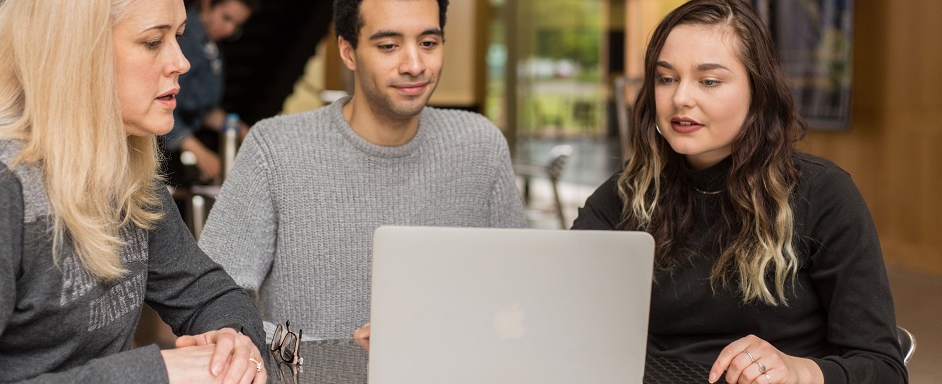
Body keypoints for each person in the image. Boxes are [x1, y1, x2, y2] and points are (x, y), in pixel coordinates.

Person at [0, 1, 268, 383]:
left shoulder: (126, 168)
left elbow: (207, 292)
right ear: (80, 54)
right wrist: (151, 373)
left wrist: (233, 341)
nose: (181, 62)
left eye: (179, 36)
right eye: (153, 41)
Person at [572, 1, 907, 383]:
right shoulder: (628, 192)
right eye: (666, 78)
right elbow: (561, 313)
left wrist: (798, 371)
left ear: (758, 90)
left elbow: (884, 369)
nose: (680, 97)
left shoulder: (823, 194)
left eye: (709, 81)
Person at [200, 0, 526, 340]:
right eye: (389, 46)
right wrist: (330, 351)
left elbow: (520, 292)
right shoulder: (275, 149)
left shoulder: (481, 146)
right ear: (348, 51)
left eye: (428, 43)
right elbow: (209, 303)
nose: (414, 65)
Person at [162, 0, 255, 184]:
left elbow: (205, 110)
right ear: (206, 4)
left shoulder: (212, 45)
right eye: (226, 18)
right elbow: (161, 100)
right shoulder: (185, 38)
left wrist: (242, 130)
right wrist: (198, 151)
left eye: (237, 25)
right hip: (162, 147)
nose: (229, 29)